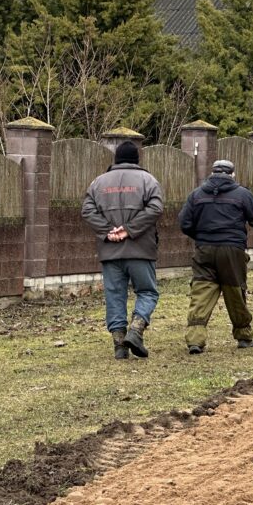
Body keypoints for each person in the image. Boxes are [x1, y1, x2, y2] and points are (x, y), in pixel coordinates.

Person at [81, 141, 164, 360]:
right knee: (147, 292)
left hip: (110, 251)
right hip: (141, 250)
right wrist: (129, 230)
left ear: (116, 159)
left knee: (114, 295)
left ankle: (119, 345)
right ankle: (136, 330)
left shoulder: (98, 182)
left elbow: (87, 210)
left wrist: (108, 231)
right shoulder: (148, 180)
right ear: (137, 159)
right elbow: (156, 208)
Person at [178, 159, 253, 354]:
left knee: (201, 292)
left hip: (204, 249)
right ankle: (244, 336)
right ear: (232, 174)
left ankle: (195, 340)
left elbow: (184, 223)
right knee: (235, 292)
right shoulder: (242, 193)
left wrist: (201, 236)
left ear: (212, 173)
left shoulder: (196, 194)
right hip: (232, 249)